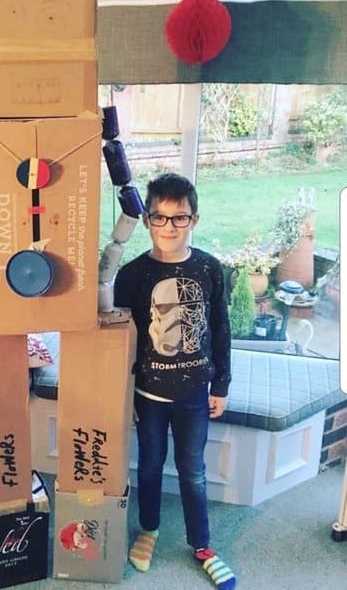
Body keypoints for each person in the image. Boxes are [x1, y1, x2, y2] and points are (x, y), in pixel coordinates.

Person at [114, 172, 236, 590]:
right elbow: (122, 342)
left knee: (193, 470)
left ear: (194, 220)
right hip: (147, 393)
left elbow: (220, 328)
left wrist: (221, 385)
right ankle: (148, 529)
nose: (169, 227)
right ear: (147, 220)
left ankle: (202, 545)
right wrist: (122, 394)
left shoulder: (208, 268)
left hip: (194, 395)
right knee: (148, 466)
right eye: (160, 217)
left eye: (179, 218)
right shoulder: (130, 276)